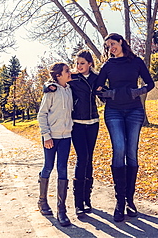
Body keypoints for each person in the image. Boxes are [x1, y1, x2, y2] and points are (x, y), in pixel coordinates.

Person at [96, 33, 155, 222]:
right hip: (113, 112)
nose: (110, 48)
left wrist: (135, 93)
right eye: (108, 46)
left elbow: (150, 83)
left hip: (134, 111)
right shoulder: (108, 65)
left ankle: (130, 200)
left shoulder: (136, 62)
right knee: (119, 149)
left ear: (121, 42)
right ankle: (119, 201)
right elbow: (98, 88)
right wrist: (111, 94)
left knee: (132, 152)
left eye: (113, 44)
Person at [43, 50, 100, 217]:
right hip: (77, 125)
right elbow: (54, 81)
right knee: (82, 159)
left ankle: (87, 199)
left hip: (93, 122)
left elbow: (103, 90)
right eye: (77, 64)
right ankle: (78, 202)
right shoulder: (73, 78)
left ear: (90, 63)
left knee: (89, 159)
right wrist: (47, 86)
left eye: (82, 63)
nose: (78, 66)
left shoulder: (96, 77)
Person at [37, 62, 73, 227]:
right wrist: (46, 136)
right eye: (66, 71)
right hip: (51, 138)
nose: (69, 72)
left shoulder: (69, 89)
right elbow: (41, 115)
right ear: (58, 75)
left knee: (63, 169)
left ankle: (61, 210)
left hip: (66, 137)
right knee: (48, 167)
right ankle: (42, 201)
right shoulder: (51, 91)